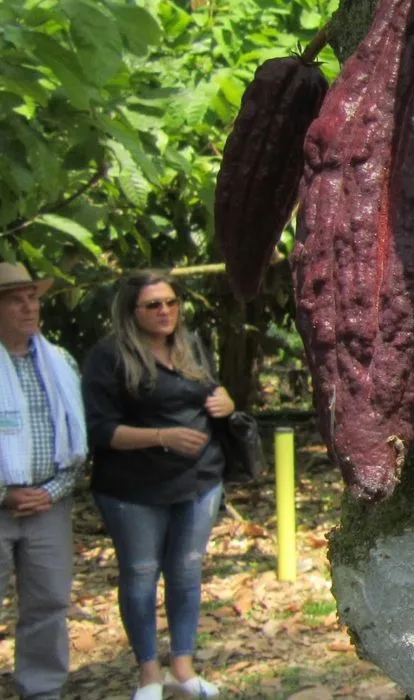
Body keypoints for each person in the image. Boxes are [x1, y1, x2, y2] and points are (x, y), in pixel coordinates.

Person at [82, 270, 234, 700]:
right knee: (140, 573)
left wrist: (228, 402)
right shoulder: (108, 358)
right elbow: (100, 430)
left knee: (186, 571)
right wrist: (162, 437)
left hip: (198, 480)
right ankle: (149, 672)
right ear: (131, 312)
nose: (165, 311)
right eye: (153, 305)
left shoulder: (192, 346)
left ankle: (183, 668)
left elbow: (212, 393)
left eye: (171, 302)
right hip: (133, 487)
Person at [0, 262, 88, 700]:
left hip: (49, 505)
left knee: (49, 604)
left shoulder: (60, 362)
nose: (28, 307)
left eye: (33, 297)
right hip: (2, 505)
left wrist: (49, 492)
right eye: (16, 299)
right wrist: (5, 493)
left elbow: (77, 441)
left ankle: (42, 692)